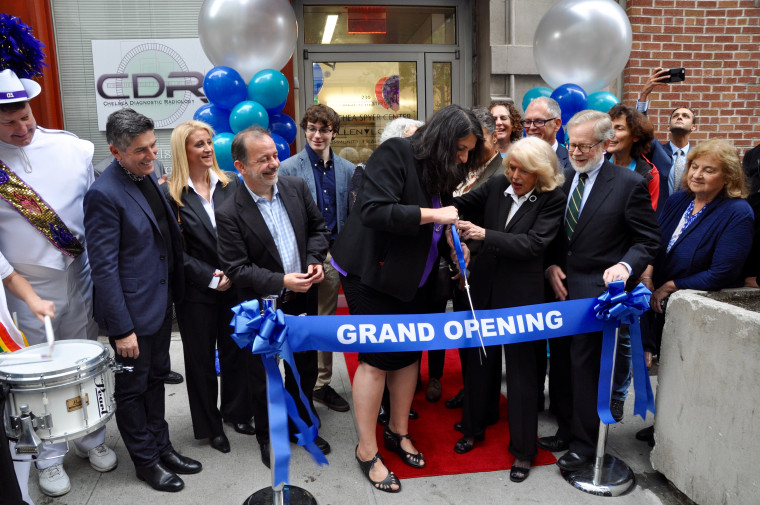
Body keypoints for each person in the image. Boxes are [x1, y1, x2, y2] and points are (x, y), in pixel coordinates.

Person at [331, 104, 484, 493]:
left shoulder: (439, 166)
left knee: (409, 353)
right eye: (461, 149)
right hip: (372, 274)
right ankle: (367, 449)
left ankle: (398, 432)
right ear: (442, 140)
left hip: (414, 276)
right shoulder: (395, 153)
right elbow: (374, 211)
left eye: (469, 151)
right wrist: (436, 218)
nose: (464, 158)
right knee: (377, 359)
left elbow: (441, 214)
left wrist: (453, 247)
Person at [0, 68, 116, 497]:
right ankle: (47, 457)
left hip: (81, 273)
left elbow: (97, 210)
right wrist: (26, 295)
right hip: (26, 285)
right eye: (8, 122)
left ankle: (92, 438)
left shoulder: (70, 147)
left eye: (25, 116)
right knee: (41, 376)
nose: (22, 128)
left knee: (86, 358)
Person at [84, 108, 201, 492]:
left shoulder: (147, 176)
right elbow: (104, 270)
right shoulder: (103, 194)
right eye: (141, 151)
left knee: (154, 381)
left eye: (153, 146)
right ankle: (146, 461)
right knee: (133, 390)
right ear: (116, 152)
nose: (152, 156)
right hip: (132, 318)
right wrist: (121, 330)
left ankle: (162, 446)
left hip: (160, 304)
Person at [539, 110, 660, 472]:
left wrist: (624, 267)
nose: (575, 152)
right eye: (570, 144)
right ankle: (566, 428)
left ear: (606, 145)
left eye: (584, 146)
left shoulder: (627, 184)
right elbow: (556, 236)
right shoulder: (562, 181)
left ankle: (585, 444)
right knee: (561, 365)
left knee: (587, 371)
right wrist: (550, 265)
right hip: (560, 292)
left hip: (597, 297)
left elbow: (648, 240)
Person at [215, 126, 331, 469]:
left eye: (275, 156)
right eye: (262, 159)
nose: (273, 164)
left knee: (305, 368)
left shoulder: (295, 187)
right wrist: (281, 280)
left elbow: (318, 230)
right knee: (263, 376)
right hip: (260, 309)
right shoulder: (229, 212)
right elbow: (237, 269)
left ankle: (301, 426)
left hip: (302, 300)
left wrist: (314, 261)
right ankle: (268, 436)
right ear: (241, 166)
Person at [452, 137, 565, 482]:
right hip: (485, 288)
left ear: (541, 173)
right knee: (480, 364)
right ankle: (473, 427)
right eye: (511, 167)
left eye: (522, 170)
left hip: (523, 297)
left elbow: (533, 245)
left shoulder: (552, 198)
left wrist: (483, 234)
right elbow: (460, 204)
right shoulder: (499, 183)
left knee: (523, 375)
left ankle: (523, 452)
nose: (513, 175)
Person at [635, 139, 754, 446]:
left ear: (728, 177)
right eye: (694, 166)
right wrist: (648, 274)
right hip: (657, 299)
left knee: (685, 372)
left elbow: (724, 271)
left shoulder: (737, 212)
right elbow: (654, 241)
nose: (697, 174)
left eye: (709, 170)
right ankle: (662, 424)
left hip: (693, 306)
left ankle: (676, 432)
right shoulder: (678, 200)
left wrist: (670, 287)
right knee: (665, 368)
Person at [164, 120, 254, 453]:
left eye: (209, 142)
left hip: (235, 286)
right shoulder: (170, 195)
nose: (207, 149)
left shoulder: (230, 185)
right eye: (198, 144)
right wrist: (211, 276)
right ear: (181, 151)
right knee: (200, 361)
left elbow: (245, 233)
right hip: (197, 293)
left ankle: (237, 412)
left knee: (237, 352)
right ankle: (210, 425)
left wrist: (234, 271)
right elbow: (173, 251)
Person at [278, 104, 354, 413]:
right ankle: (308, 385)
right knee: (307, 321)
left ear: (334, 132)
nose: (317, 134)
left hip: (338, 254)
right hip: (303, 255)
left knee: (328, 320)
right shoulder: (288, 168)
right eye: (311, 128)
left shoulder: (348, 169)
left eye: (323, 129)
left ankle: (321, 384)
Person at [443, 106, 509, 410]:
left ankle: (483, 399)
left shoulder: (503, 171)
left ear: (493, 139)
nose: (472, 150)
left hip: (485, 264)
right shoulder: (464, 168)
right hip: (460, 261)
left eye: (479, 141)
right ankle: (469, 389)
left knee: (484, 339)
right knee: (465, 335)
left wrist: (471, 256)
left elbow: (499, 223)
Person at [605, 103, 662, 421]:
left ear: (635, 135)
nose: (611, 134)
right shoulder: (598, 163)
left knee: (625, 337)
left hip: (627, 264)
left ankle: (617, 397)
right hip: (598, 261)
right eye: (608, 126)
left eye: (619, 128)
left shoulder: (648, 173)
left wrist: (639, 269)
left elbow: (646, 227)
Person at [1, 250, 56, 505]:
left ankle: (21, 495)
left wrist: (34, 300)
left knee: (20, 429)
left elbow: (9, 275)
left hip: (6, 352)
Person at [636, 67, 697, 196]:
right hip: (658, 214)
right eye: (676, 116)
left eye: (686, 116)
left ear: (693, 127)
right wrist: (644, 94)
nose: (680, 117)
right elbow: (640, 130)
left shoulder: (698, 156)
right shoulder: (656, 150)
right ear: (668, 127)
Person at [522, 96, 571, 171]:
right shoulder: (516, 159)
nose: (531, 127)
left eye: (539, 121)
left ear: (557, 124)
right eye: (528, 122)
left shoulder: (572, 164)